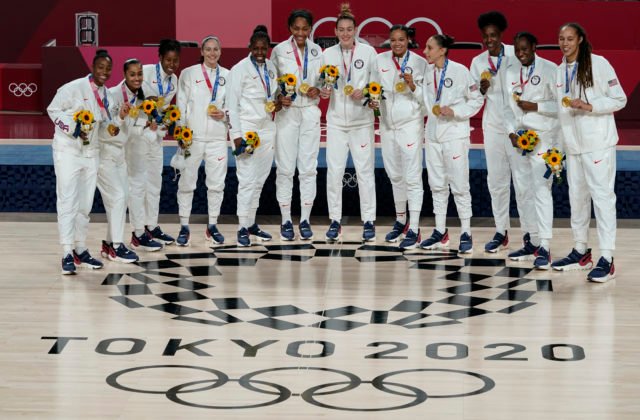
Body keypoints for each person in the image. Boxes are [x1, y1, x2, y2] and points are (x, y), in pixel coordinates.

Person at [551, 23, 626, 282]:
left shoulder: (599, 63)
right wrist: (559, 147)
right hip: (573, 148)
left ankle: (607, 257)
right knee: (577, 199)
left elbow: (620, 99)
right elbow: (559, 112)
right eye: (561, 39)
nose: (564, 43)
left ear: (580, 39)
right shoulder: (559, 71)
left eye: (570, 38)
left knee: (603, 199)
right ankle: (581, 251)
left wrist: (590, 105)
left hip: (598, 144)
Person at [47, 49, 121, 274]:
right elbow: (53, 109)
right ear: (92, 66)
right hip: (68, 151)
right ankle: (67, 252)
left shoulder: (107, 95)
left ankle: (80, 249)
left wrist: (117, 124)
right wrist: (73, 129)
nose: (104, 72)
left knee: (85, 205)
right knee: (67, 201)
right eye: (101, 67)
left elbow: (106, 123)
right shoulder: (73, 87)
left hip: (91, 153)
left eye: (108, 69)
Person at [420, 35, 483, 253]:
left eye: (430, 48)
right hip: (433, 134)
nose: (425, 51)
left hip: (455, 134)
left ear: (442, 50)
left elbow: (476, 100)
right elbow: (424, 102)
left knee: (459, 185)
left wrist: (455, 112)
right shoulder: (426, 73)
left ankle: (466, 232)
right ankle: (440, 232)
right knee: (436, 185)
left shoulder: (460, 71)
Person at [502, 32, 560, 270]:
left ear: (535, 46)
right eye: (517, 49)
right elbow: (506, 108)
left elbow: (560, 105)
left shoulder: (550, 69)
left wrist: (535, 106)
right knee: (523, 192)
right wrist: (511, 133)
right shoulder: (509, 72)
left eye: (525, 48)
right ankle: (532, 240)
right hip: (520, 139)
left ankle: (545, 246)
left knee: (541, 191)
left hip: (544, 139)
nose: (521, 53)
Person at [320, 3, 378, 242]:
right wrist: (324, 92)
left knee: (365, 172)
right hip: (335, 123)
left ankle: (369, 221)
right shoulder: (327, 55)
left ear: (355, 30)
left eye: (349, 29)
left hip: (361, 122)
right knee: (334, 172)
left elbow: (376, 86)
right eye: (341, 29)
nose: (345, 33)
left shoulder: (368, 53)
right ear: (335, 32)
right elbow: (323, 86)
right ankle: (335, 220)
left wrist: (365, 93)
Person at [373, 24, 427, 249]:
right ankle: (401, 221)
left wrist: (412, 85)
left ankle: (414, 228)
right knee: (395, 175)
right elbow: (374, 88)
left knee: (412, 176)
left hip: (410, 126)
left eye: (401, 40)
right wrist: (373, 100)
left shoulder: (420, 63)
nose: (397, 44)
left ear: (408, 41)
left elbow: (426, 101)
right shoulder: (380, 60)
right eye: (393, 40)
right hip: (387, 125)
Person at [469, 11, 520, 253]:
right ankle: (501, 231)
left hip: (517, 128)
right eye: (485, 36)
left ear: (501, 34)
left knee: (521, 183)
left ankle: (530, 234)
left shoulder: (517, 54)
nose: (489, 39)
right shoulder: (478, 62)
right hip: (492, 128)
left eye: (493, 35)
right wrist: (480, 90)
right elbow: (473, 96)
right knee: (497, 183)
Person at [271, 9, 323, 241]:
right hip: (288, 114)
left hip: (310, 112)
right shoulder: (279, 51)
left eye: (305, 28)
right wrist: (278, 98)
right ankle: (285, 220)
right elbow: (270, 82)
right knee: (285, 168)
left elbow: (324, 82)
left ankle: (304, 219)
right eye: (296, 28)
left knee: (308, 169)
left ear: (310, 29)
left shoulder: (317, 50)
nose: (300, 32)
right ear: (290, 28)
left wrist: (318, 90)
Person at [227, 25, 280, 247]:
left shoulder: (271, 67)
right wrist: (236, 136)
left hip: (267, 128)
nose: (260, 51)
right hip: (247, 130)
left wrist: (277, 102)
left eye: (263, 48)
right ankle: (241, 227)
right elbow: (231, 104)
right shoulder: (238, 70)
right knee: (247, 180)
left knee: (259, 179)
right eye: (256, 48)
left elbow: (272, 94)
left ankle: (251, 223)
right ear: (249, 47)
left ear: (268, 48)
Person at [175, 36, 230, 246]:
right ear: (202, 51)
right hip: (193, 138)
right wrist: (181, 130)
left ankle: (212, 225)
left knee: (216, 184)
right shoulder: (189, 74)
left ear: (220, 51)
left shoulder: (228, 75)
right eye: (208, 49)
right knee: (187, 182)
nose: (212, 53)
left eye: (216, 49)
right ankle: (184, 226)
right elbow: (180, 104)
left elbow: (233, 105)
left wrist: (224, 114)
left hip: (217, 138)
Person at [127, 39, 181, 251]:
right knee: (138, 184)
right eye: (168, 59)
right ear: (159, 58)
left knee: (154, 183)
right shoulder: (146, 72)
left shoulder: (174, 80)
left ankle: (151, 226)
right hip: (138, 134)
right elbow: (131, 96)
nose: (171, 64)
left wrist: (167, 120)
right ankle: (137, 231)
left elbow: (165, 107)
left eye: (175, 61)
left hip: (156, 136)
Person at [97, 58, 147, 263]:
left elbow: (131, 129)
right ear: (124, 75)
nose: (137, 78)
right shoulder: (113, 95)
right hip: (105, 152)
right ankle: (117, 247)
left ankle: (109, 244)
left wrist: (148, 124)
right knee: (117, 198)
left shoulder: (139, 98)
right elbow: (106, 130)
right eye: (132, 74)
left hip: (119, 154)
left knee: (122, 198)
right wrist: (121, 118)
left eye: (140, 74)